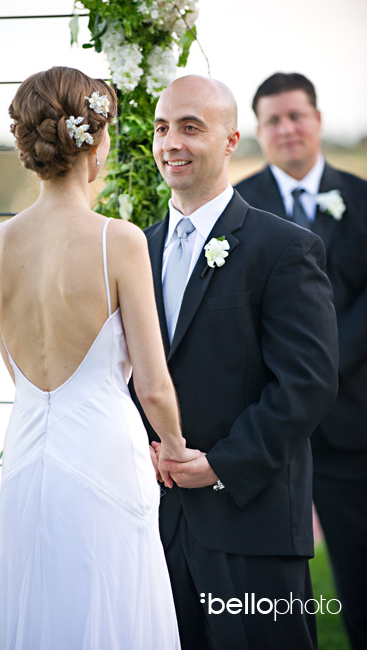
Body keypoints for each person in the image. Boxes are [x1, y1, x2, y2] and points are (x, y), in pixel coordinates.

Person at [0, 66, 193, 649]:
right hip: (103, 455)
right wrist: (175, 447)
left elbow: (15, 368)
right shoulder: (118, 240)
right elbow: (153, 387)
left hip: (25, 454)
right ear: (94, 142)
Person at [140, 75, 339, 649]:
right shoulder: (137, 250)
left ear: (230, 141)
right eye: (162, 128)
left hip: (252, 521)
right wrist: (140, 444)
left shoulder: (284, 247)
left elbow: (307, 385)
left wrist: (221, 465)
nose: (171, 143)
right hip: (156, 525)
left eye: (190, 127)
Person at [235, 72, 367, 650]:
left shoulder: (363, 197)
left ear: (317, 119)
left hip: (352, 423)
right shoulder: (237, 207)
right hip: (270, 424)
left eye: (296, 116)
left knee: (361, 575)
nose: (286, 129)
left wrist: (321, 365)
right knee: (264, 591)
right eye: (273, 121)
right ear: (258, 132)